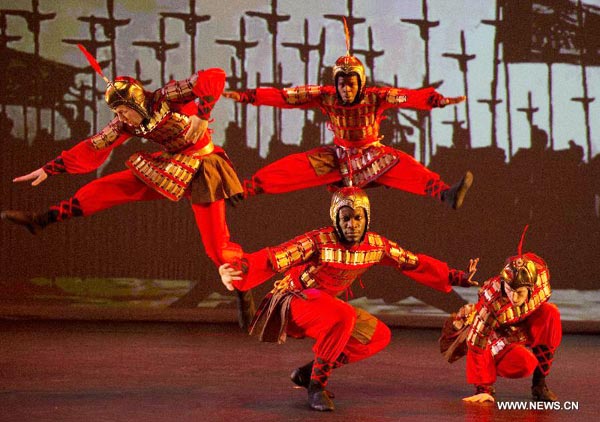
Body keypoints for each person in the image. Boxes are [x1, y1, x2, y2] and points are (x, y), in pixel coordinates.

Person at [1, 66, 255, 326]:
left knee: (218, 248)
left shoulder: (166, 97)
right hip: (171, 166)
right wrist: (50, 168)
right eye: (117, 113)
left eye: (123, 110)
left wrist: (203, 114)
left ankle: (243, 293)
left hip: (204, 169)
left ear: (136, 101)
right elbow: (94, 145)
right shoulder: (125, 123)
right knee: (107, 188)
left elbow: (213, 76)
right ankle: (44, 218)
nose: (121, 116)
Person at [218, 187, 478, 411]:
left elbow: (412, 262)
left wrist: (456, 277)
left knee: (377, 336)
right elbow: (276, 257)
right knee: (344, 314)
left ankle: (308, 373)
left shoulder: (376, 246)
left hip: (327, 311)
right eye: (345, 218)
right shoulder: (318, 241)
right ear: (335, 219)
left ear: (366, 219)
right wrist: (241, 270)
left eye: (357, 218)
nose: (351, 225)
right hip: (293, 304)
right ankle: (317, 386)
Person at [224, 47, 472, 209]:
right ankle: (244, 190)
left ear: (360, 83)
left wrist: (437, 100)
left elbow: (407, 97)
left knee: (406, 166)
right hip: (337, 155)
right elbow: (286, 96)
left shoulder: (376, 97)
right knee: (293, 167)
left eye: (351, 84)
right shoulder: (325, 96)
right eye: (341, 84)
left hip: (371, 153)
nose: (346, 89)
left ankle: (445, 194)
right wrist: (249, 96)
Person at [439, 239, 561, 403]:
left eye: (519, 292)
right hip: (497, 334)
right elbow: (477, 341)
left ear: (531, 289)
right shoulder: (492, 301)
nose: (513, 297)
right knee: (525, 363)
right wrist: (483, 388)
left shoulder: (540, 283)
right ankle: (492, 371)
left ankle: (539, 383)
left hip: (522, 324)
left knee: (550, 313)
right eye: (510, 290)